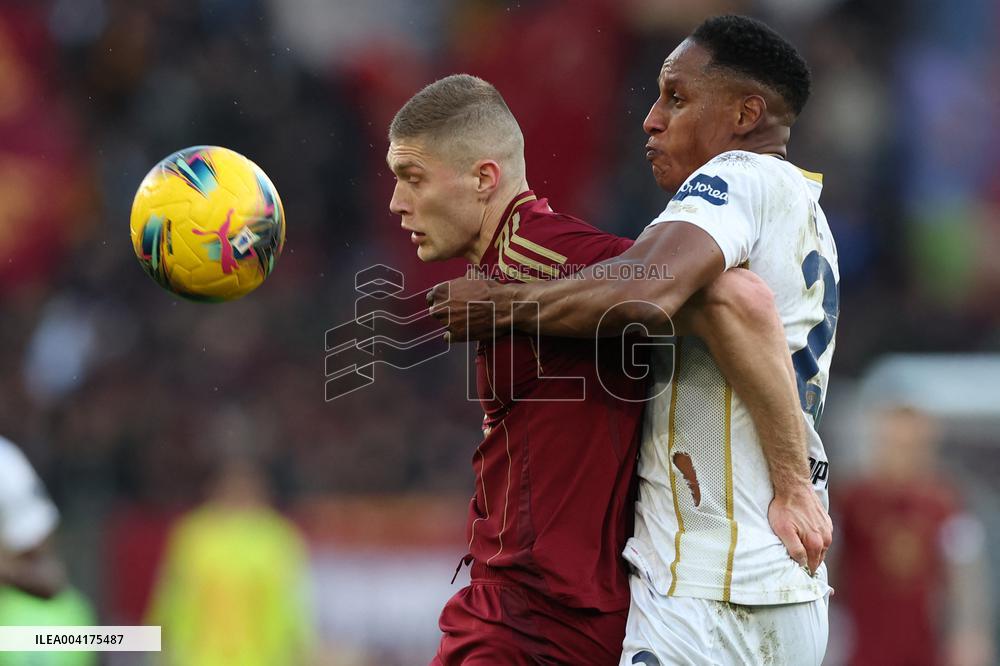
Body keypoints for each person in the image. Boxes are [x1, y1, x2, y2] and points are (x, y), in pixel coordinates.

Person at [428, 15, 838, 664]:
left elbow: (646, 290)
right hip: (787, 589)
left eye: (676, 97)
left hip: (709, 590)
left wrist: (501, 307)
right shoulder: (808, 218)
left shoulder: (735, 177)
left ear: (745, 114)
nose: (652, 118)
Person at [835, 405, 994, 666]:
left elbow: (966, 574)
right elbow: (832, 566)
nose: (902, 454)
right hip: (864, 644)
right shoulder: (853, 498)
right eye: (894, 444)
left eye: (911, 446)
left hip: (924, 645)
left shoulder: (944, 502)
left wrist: (969, 632)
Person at [146, 457, 314, 666]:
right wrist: (162, 643)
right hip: (198, 657)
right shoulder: (194, 533)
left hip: (261, 658)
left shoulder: (277, 537)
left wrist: (298, 649)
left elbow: (291, 602)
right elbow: (173, 596)